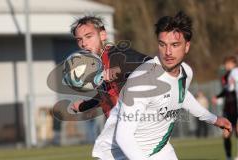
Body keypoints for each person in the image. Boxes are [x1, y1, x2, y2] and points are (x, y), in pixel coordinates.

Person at [92, 11, 232, 160]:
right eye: (162, 45)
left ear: (187, 46)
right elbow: (124, 137)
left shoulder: (186, 72)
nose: (168, 52)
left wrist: (213, 119)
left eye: (175, 45)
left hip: (159, 149)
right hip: (120, 155)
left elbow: (182, 95)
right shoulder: (141, 81)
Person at [69, 16, 151, 118]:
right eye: (79, 39)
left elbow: (152, 63)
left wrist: (119, 69)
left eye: (89, 36)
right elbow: (105, 95)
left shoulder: (118, 54)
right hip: (115, 122)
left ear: (102, 35)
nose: (84, 43)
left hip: (135, 122)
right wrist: (83, 106)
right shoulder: (97, 64)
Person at [213, 56, 238, 160]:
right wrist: (218, 97)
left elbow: (231, 88)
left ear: (234, 63)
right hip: (228, 110)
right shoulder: (225, 77)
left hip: (236, 108)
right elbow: (228, 89)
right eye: (226, 64)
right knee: (226, 134)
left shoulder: (234, 72)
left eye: (228, 63)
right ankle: (228, 157)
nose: (227, 66)